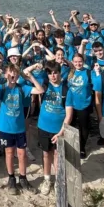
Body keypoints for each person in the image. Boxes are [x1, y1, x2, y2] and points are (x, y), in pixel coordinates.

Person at [0, 64, 40, 191]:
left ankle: (23, 178)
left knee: (22, 153)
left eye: (15, 73)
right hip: (5, 128)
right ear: (5, 75)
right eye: (10, 72)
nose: (12, 75)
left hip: (19, 127)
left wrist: (30, 76)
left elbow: (40, 90)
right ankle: (11, 179)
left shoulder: (22, 88)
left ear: (18, 75)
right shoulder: (1, 88)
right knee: (9, 153)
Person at [36, 64, 72, 195]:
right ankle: (47, 180)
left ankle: (58, 180)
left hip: (58, 129)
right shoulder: (44, 86)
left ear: (60, 73)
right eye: (50, 73)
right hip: (43, 126)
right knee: (46, 154)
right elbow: (25, 74)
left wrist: (61, 132)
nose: (53, 75)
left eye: (55, 72)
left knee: (57, 155)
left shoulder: (66, 90)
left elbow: (69, 115)